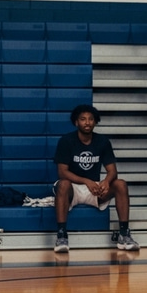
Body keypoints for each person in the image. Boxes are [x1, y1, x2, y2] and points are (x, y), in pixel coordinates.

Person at [53, 104, 140, 253]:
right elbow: (62, 172)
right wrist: (86, 181)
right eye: (83, 119)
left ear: (95, 121)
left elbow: (112, 171)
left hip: (94, 189)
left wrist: (106, 182)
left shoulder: (103, 141)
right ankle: (62, 236)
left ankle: (124, 234)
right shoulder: (66, 141)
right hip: (72, 188)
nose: (87, 122)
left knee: (120, 184)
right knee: (63, 184)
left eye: (90, 119)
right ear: (76, 122)